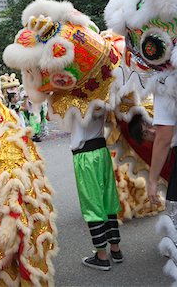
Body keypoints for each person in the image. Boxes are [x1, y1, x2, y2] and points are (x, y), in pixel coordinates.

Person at [70, 110, 123, 271]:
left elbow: (55, 118)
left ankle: (101, 255)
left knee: (92, 203)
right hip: (101, 151)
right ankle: (115, 249)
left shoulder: (70, 97)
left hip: (84, 155)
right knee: (108, 200)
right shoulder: (101, 94)